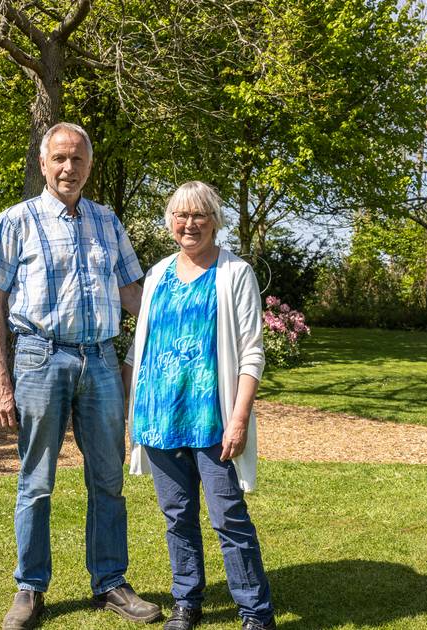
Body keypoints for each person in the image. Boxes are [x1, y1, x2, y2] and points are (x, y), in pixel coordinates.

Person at [0, 122, 160, 629]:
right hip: (40, 359)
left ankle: (110, 583)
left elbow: (134, 297)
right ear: (43, 163)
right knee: (36, 482)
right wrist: (0, 382)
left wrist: (187, 315)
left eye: (77, 159)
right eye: (59, 158)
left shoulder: (108, 221)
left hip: (101, 361)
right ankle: (30, 588)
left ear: (89, 166)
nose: (68, 168)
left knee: (107, 479)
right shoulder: (15, 221)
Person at [124, 181, 277, 630]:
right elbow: (139, 349)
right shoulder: (156, 274)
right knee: (177, 518)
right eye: (181, 215)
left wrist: (240, 419)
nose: (189, 224)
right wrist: (132, 413)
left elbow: (252, 352)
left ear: (215, 220)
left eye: (199, 215)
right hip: (159, 416)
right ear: (170, 221)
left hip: (212, 419)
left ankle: (255, 612)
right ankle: (186, 603)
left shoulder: (235, 273)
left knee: (229, 516)